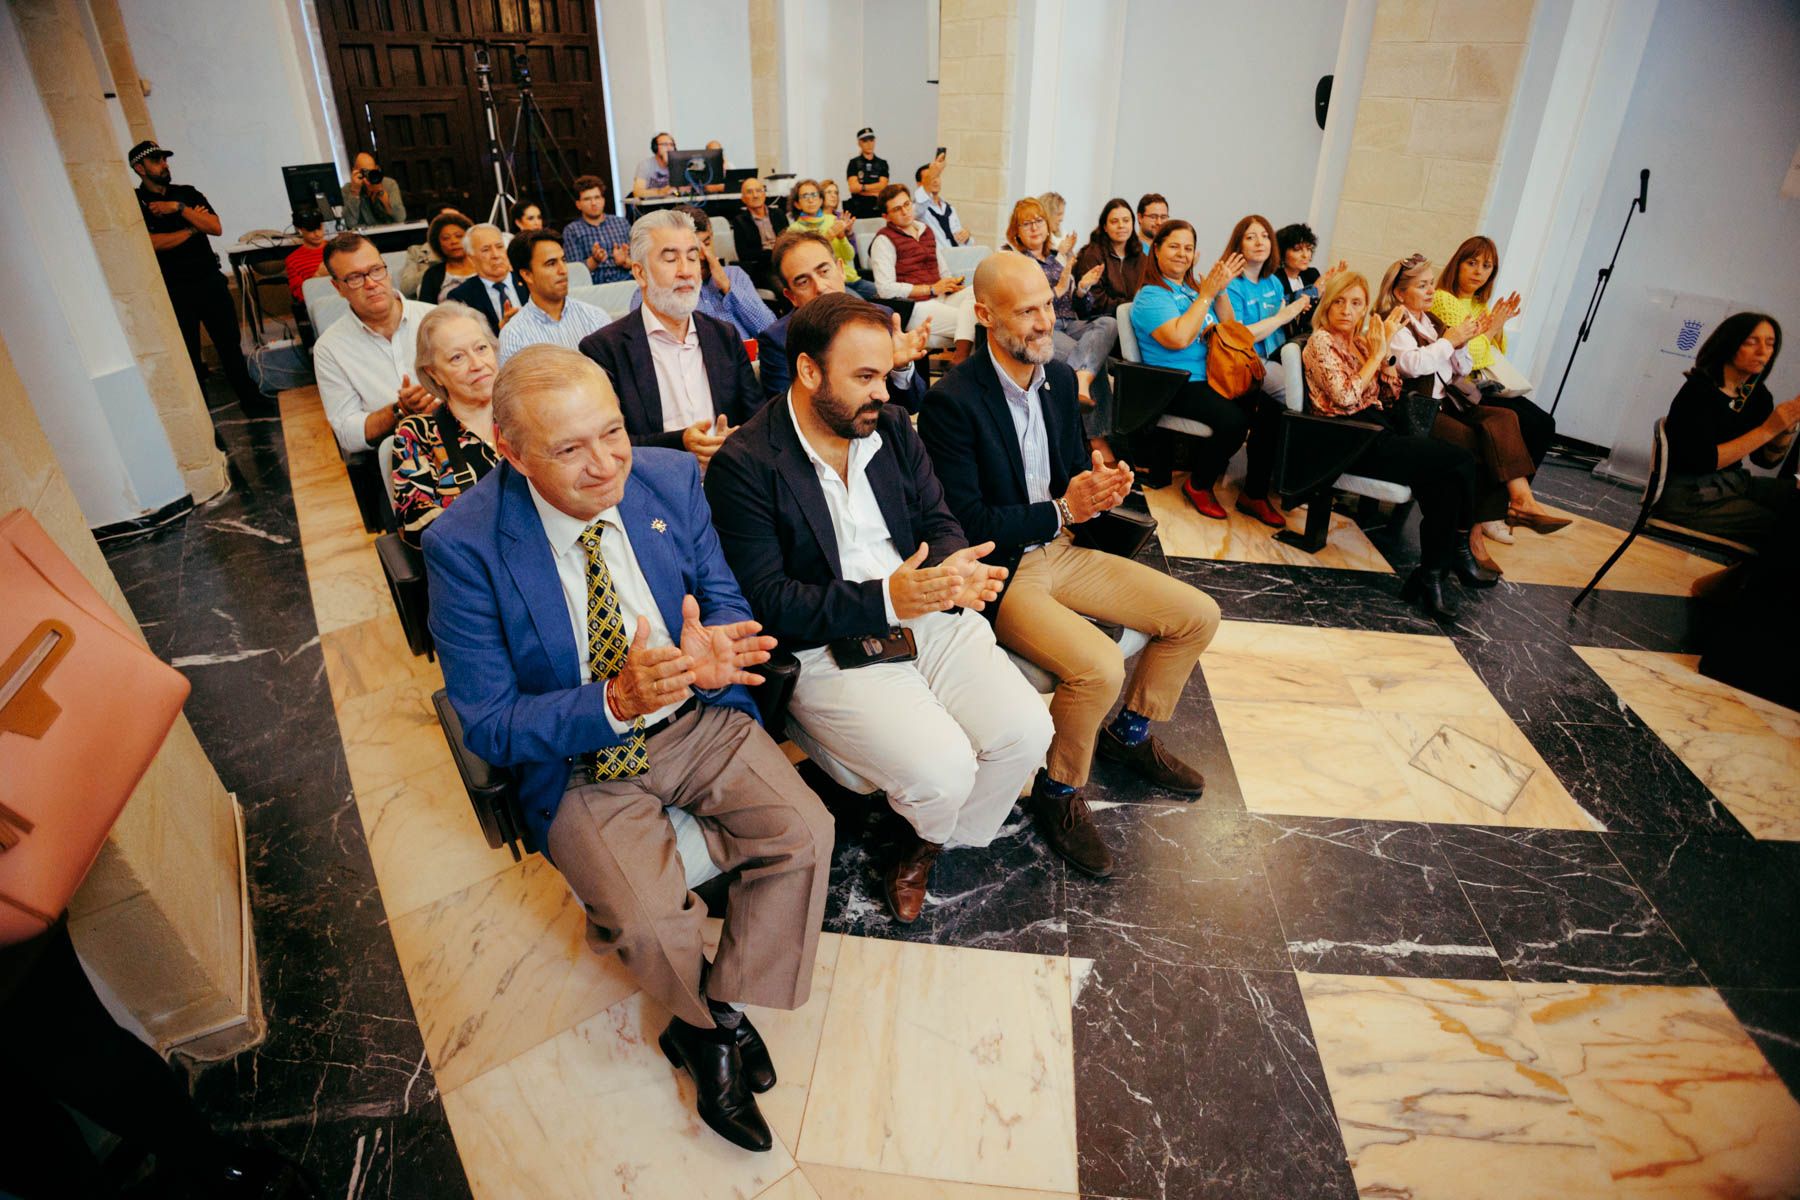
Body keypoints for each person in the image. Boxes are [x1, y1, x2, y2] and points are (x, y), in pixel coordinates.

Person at [423, 344, 834, 1153]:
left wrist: (717, 645)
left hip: (696, 717)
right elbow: (491, 723)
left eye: (612, 432)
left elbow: (719, 595)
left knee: (806, 832)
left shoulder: (670, 479)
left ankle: (723, 1007)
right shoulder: (463, 545)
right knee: (647, 924)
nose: (606, 463)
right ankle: (705, 1030)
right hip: (581, 759)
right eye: (569, 448)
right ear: (512, 451)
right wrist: (613, 701)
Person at [704, 293, 1053, 924]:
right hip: (830, 640)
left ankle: (930, 838)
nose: (884, 393)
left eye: (886, 374)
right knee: (944, 770)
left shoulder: (889, 427)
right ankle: (923, 817)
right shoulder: (746, 464)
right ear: (808, 371)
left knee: (1028, 734)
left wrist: (953, 567)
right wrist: (888, 597)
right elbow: (770, 601)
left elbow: (938, 519)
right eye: (864, 377)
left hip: (926, 608)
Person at [919, 253, 1221, 877]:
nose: (1044, 322)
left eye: (1047, 306)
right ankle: (1056, 791)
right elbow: (967, 522)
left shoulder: (1057, 379)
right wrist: (1061, 509)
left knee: (1197, 614)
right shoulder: (953, 402)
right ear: (984, 315)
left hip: (1063, 549)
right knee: (1099, 666)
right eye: (1025, 311)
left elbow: (1072, 472)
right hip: (1005, 570)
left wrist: (1101, 486)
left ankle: (1128, 737)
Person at [1303, 271, 1486, 619]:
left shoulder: (1360, 343)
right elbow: (1345, 397)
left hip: (1377, 430)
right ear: (1326, 305)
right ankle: (1460, 548)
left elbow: (1389, 395)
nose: (1346, 310)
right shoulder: (1321, 342)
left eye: (1356, 303)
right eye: (1338, 301)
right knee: (1460, 459)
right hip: (1346, 440)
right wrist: (1377, 356)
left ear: (1364, 308)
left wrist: (1383, 354)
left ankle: (1431, 575)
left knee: (1445, 482)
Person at [1378, 253, 1565, 561]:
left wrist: (1463, 344)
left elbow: (1459, 370)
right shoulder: (1395, 324)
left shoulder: (1432, 322)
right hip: (1418, 411)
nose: (1430, 290)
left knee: (1505, 419)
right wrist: (1448, 342)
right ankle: (1473, 534)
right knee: (1476, 444)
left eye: (1431, 283)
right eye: (1422, 286)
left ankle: (1522, 500)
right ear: (1400, 293)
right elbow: (1411, 366)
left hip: (1447, 401)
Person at [1129, 221, 1287, 527]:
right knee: (1234, 420)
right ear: (1156, 250)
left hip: (1212, 376)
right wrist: (1206, 296)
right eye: (1174, 246)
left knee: (1271, 411)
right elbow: (1178, 338)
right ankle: (1199, 485)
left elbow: (1230, 328)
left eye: (1188, 248)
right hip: (1174, 383)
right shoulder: (1152, 295)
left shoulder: (1190, 290)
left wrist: (1220, 292)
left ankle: (1253, 494)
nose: (1182, 254)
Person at [580, 210, 759, 464]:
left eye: (693, 257)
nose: (686, 271)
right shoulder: (604, 350)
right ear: (640, 273)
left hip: (729, 474)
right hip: (654, 482)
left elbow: (757, 418)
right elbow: (607, 442)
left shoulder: (724, 335)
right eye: (671, 259)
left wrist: (738, 439)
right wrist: (680, 443)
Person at [1428, 235, 1558, 545]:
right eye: (1472, 263)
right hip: (1458, 389)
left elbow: (1495, 352)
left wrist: (1493, 329)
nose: (1478, 272)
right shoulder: (1444, 299)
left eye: (1487, 266)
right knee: (1517, 422)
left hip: (1480, 383)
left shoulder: (1477, 304)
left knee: (1543, 423)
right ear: (1457, 264)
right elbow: (1470, 354)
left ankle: (1509, 505)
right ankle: (1493, 512)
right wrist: (1493, 328)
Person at [129, 139, 263, 410]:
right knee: (188, 354)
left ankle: (251, 401)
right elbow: (152, 243)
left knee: (229, 346)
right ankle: (203, 415)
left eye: (165, 159)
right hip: (175, 288)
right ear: (140, 168)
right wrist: (192, 228)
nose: (164, 164)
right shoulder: (137, 202)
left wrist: (179, 209)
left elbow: (214, 227)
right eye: (156, 160)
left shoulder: (186, 194)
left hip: (208, 280)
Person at [1658, 312, 1798, 550]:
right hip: (1690, 496)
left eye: (1770, 344)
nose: (1762, 351)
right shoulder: (1699, 391)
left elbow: (1765, 460)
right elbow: (1702, 460)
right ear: (1729, 344)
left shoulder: (1759, 396)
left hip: (1731, 483)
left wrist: (1787, 427)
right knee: (1786, 529)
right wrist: (1767, 430)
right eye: (1751, 342)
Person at [756, 228, 930, 407]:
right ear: (791, 296)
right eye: (803, 282)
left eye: (824, 271)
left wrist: (900, 368)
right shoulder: (778, 340)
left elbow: (913, 404)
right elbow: (787, 410)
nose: (820, 287)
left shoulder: (882, 317)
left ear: (840, 269)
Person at [312, 233, 437, 454]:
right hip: (393, 453)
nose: (371, 283)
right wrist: (399, 410)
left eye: (376, 270)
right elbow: (348, 434)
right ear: (338, 287)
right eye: (354, 277)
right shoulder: (329, 348)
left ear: (386, 270)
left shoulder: (436, 319)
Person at [393, 302, 501, 546]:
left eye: (481, 348)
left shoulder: (526, 412)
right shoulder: (418, 434)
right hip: (477, 558)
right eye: (457, 357)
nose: (477, 364)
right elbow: (416, 524)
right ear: (434, 373)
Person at [1004, 197, 1117, 415]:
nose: (1034, 228)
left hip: (1071, 322)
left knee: (1109, 323)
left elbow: (1081, 308)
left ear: (1048, 227)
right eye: (1026, 224)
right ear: (1016, 232)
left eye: (1039, 221)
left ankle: (1080, 382)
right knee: (1094, 361)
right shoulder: (1017, 262)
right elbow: (1023, 304)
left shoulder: (1057, 259)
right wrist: (1057, 290)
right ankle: (1096, 430)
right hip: (1045, 326)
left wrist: (1082, 288)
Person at [629, 206, 777, 339]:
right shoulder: (652, 290)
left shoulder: (735, 276)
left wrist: (727, 287)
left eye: (706, 243)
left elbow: (771, 332)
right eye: (692, 249)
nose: (701, 255)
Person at [869, 183, 978, 361]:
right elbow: (885, 289)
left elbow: (943, 270)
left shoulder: (925, 230)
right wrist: (930, 289)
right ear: (886, 216)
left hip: (941, 296)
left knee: (977, 294)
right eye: (897, 209)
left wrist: (950, 283)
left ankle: (961, 360)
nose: (905, 211)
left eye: (907, 204)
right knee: (974, 322)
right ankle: (961, 361)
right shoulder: (883, 240)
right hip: (915, 305)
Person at [1218, 214, 1316, 408]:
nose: (1259, 242)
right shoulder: (1231, 285)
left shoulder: (1273, 282)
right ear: (1238, 245)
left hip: (1278, 355)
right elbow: (1239, 337)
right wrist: (1282, 317)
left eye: (1265, 236)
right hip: (1249, 360)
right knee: (1298, 397)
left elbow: (1283, 326)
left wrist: (1296, 312)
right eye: (1250, 237)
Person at [499, 230, 613, 363]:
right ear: (527, 275)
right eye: (551, 263)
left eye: (563, 260)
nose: (563, 270)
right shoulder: (514, 336)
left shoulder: (596, 318)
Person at [788, 178, 877, 300]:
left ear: (821, 200)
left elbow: (849, 256)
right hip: (828, 283)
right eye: (805, 196)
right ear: (797, 204)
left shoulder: (833, 220)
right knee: (860, 304)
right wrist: (828, 236)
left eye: (814, 195)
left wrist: (842, 238)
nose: (810, 200)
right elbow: (805, 262)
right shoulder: (794, 230)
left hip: (850, 277)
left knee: (886, 296)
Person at [447, 223, 528, 335]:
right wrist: (501, 330)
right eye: (486, 250)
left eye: (500, 247)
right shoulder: (461, 297)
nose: (496, 255)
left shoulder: (529, 279)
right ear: (471, 259)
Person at [1070, 197, 1143, 320]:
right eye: (1114, 221)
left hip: (1136, 317)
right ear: (1105, 227)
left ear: (1132, 224)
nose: (1121, 226)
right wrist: (1132, 306)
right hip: (1104, 320)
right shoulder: (1092, 255)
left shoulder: (1140, 256)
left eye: (1126, 220)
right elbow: (1095, 302)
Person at [1274, 223, 1341, 342]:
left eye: (1309, 249)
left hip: (1310, 337)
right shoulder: (1275, 278)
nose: (1305, 255)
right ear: (1282, 253)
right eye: (1297, 249)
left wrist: (1336, 285)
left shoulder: (1312, 274)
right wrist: (1313, 291)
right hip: (1284, 339)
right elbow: (1282, 305)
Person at [562, 175, 633, 284]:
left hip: (626, 282)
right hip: (594, 287)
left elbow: (640, 262)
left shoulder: (621, 223)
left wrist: (625, 261)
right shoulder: (572, 231)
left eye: (597, 197)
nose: (594, 203)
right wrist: (595, 260)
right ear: (578, 205)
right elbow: (574, 272)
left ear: (603, 200)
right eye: (587, 199)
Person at [729, 177, 789, 290]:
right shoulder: (740, 221)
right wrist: (772, 253)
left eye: (758, 190)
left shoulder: (779, 214)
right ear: (743, 198)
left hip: (785, 261)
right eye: (749, 192)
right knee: (784, 289)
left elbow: (788, 241)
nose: (755, 195)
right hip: (763, 269)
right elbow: (744, 254)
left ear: (764, 194)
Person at [417, 210, 477, 303]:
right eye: (446, 238)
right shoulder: (432, 275)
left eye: (459, 236)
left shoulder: (485, 266)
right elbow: (425, 308)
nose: (453, 241)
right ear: (438, 244)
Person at [913, 152, 970, 245]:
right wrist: (932, 173)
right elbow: (919, 206)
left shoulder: (949, 208)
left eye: (937, 176)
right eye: (931, 177)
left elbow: (960, 237)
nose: (935, 181)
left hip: (959, 251)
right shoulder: (918, 208)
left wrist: (967, 235)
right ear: (919, 184)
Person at [341, 151, 406, 227]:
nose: (369, 175)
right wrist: (355, 192)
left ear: (376, 169)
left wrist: (381, 193)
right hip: (364, 234)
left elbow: (400, 217)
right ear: (354, 171)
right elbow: (349, 223)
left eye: (372, 171)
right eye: (364, 172)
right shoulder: (347, 190)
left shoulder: (389, 184)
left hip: (389, 232)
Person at [284, 209, 328, 306]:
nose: (317, 234)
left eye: (319, 228)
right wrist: (318, 276)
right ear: (299, 229)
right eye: (310, 230)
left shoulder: (337, 248)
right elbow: (300, 296)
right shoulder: (293, 260)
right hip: (319, 304)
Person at [844, 127, 890, 218]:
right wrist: (875, 191)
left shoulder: (882, 163)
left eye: (871, 140)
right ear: (859, 143)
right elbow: (853, 188)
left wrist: (862, 188)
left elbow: (883, 186)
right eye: (865, 141)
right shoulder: (854, 163)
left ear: (874, 141)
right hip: (859, 208)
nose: (869, 144)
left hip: (877, 208)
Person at [634, 132, 678, 199]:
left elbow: (683, 191)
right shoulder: (645, 165)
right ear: (655, 147)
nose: (669, 148)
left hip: (671, 203)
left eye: (672, 145)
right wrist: (661, 192)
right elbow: (637, 192)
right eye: (665, 144)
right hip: (650, 204)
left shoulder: (678, 165)